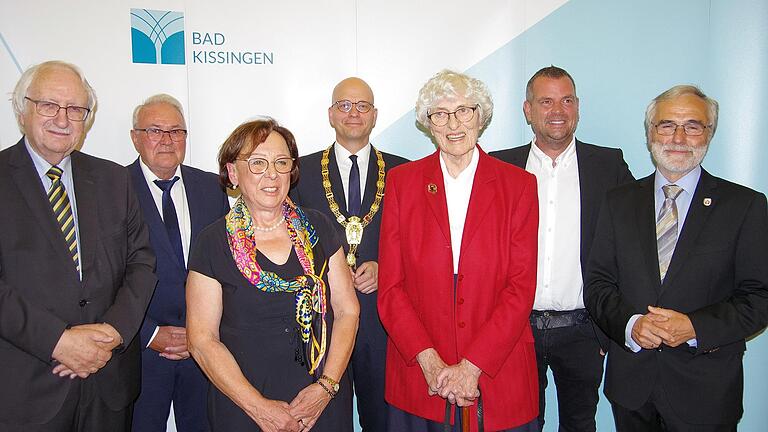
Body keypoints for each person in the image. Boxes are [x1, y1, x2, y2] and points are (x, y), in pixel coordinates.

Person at [585, 85, 768, 431]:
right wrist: (631, 325)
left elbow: (759, 296)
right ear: (650, 132)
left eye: (693, 125)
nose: (679, 137)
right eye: (667, 125)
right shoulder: (618, 202)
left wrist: (695, 327)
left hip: (706, 390)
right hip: (632, 388)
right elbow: (598, 284)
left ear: (709, 133)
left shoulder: (745, 206)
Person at [378, 70, 540, 432]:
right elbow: (390, 288)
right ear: (427, 124)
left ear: (481, 117)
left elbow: (521, 287)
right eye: (440, 114)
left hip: (500, 373)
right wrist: (430, 362)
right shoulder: (402, 183)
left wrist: (473, 366)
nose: (453, 124)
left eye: (464, 111)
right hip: (420, 378)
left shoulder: (519, 185)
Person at [0, 60, 156, 431]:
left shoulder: (114, 179)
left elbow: (141, 262)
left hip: (109, 385)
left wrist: (113, 333)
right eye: (48, 105)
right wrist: (58, 341)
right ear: (22, 110)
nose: (62, 119)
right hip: (27, 389)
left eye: (75, 109)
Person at [186, 118, 360, 432]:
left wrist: (326, 387)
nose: (272, 174)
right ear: (233, 173)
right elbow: (202, 340)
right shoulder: (211, 243)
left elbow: (347, 311)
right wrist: (259, 408)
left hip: (322, 405)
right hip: (244, 409)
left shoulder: (319, 227)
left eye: (281, 162)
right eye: (257, 163)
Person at [490, 66, 633, 431]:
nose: (558, 110)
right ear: (528, 110)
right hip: (516, 329)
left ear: (578, 107)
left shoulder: (608, 165)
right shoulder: (498, 166)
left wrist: (610, 327)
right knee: (519, 425)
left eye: (566, 100)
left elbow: (634, 249)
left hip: (584, 330)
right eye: (546, 101)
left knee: (580, 425)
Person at [291, 77, 407, 431]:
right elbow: (287, 242)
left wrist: (386, 267)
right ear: (330, 114)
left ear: (374, 116)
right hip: (322, 321)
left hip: (383, 322)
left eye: (362, 106)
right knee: (326, 421)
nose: (353, 113)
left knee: (384, 422)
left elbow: (419, 245)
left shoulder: (406, 171)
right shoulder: (298, 172)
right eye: (344, 105)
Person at [128, 94, 230, 431]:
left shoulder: (212, 188)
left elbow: (227, 266)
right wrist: (148, 333)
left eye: (177, 131)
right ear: (135, 137)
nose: (167, 140)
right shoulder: (114, 188)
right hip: (140, 353)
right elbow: (105, 276)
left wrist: (204, 333)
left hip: (204, 355)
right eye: (155, 130)